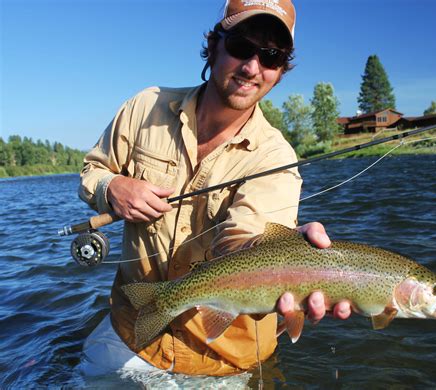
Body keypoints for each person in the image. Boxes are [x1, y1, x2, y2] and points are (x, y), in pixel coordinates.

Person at [78, 0, 351, 377]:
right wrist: (112, 187)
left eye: (271, 57)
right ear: (214, 45)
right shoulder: (146, 107)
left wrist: (285, 252)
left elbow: (246, 237)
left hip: (220, 359)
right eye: (241, 46)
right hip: (130, 328)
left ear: (280, 71)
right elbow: (92, 169)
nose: (252, 68)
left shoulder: (276, 158)